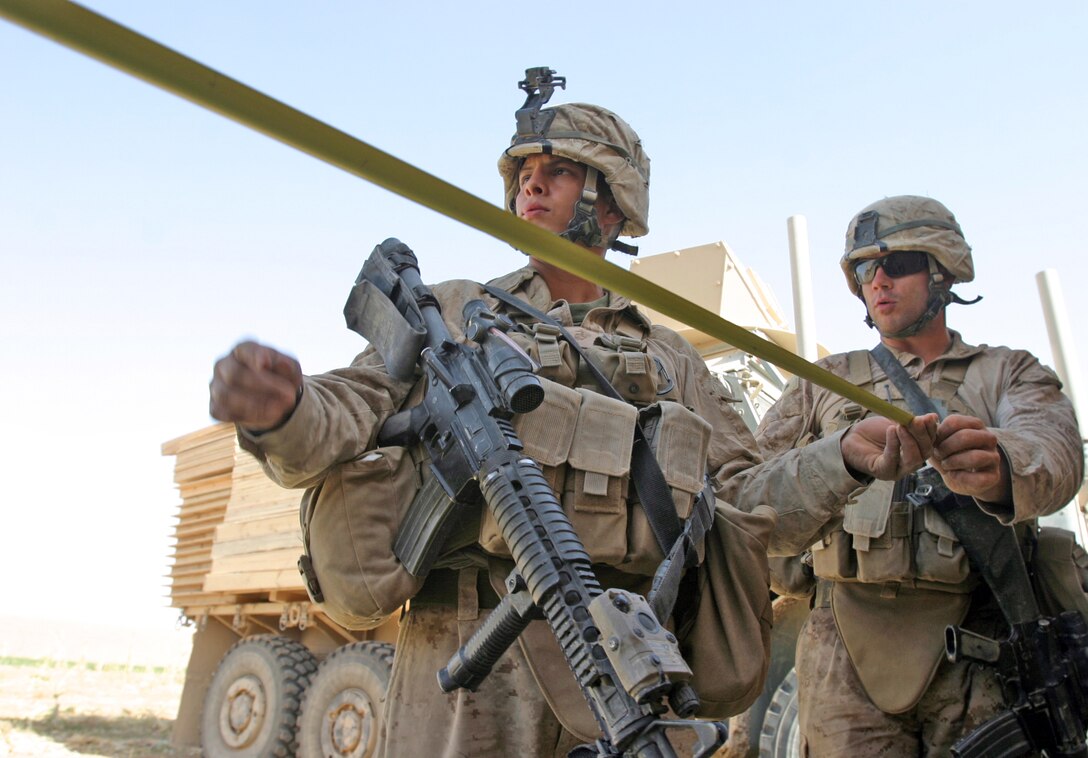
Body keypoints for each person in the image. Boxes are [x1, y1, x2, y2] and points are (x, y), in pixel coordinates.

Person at [207, 72, 933, 756]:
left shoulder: (668, 358)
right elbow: (351, 408)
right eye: (523, 173)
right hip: (470, 659)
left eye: (557, 171)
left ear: (611, 202)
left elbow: (746, 499)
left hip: (627, 659)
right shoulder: (458, 311)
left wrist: (840, 459)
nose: (530, 183)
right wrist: (283, 410)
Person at [756, 194, 1085, 756]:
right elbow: (749, 491)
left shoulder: (1008, 371)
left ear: (942, 269)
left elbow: (1055, 452)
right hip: (842, 652)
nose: (878, 282)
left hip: (982, 644)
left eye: (897, 265)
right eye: (865, 270)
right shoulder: (822, 383)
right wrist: (837, 458)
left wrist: (998, 462)